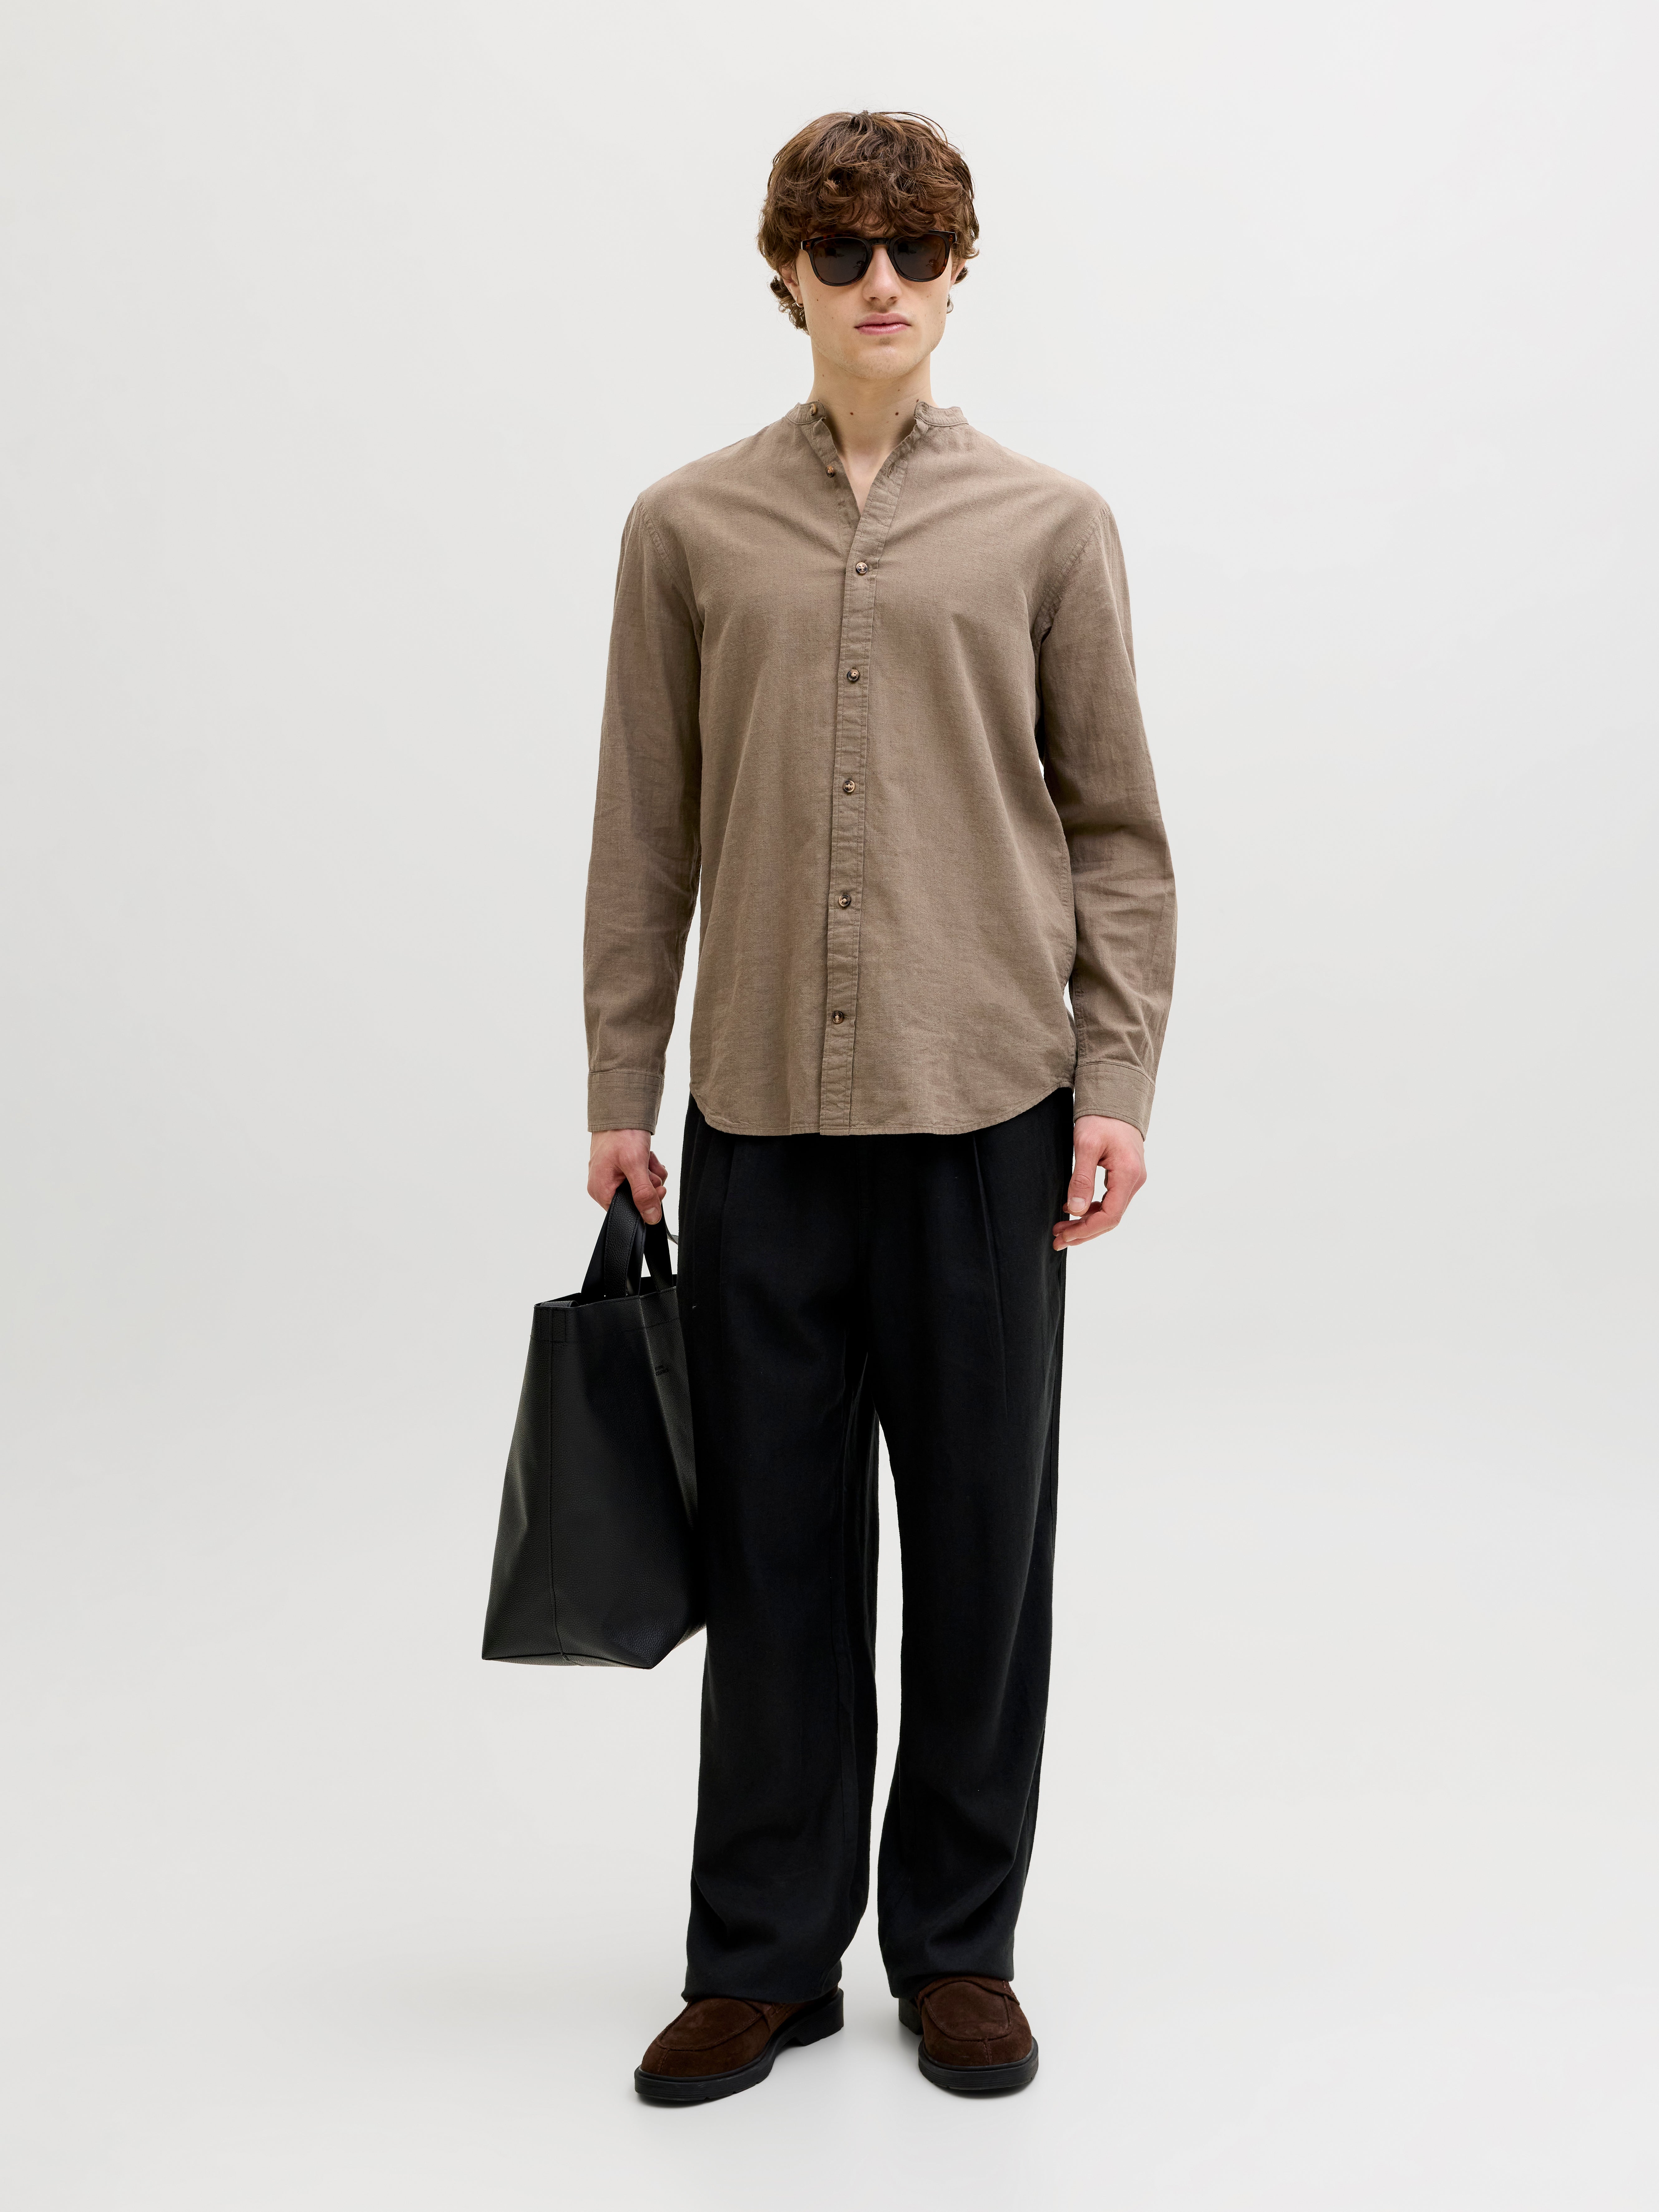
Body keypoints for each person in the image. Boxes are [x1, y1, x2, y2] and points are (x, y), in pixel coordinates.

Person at [581, 110, 1176, 2103]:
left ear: (958, 268)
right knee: (773, 1552)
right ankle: (761, 1957)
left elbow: (1115, 830)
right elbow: (641, 827)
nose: (881, 284)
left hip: (988, 1108)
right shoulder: (683, 527)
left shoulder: (1048, 526)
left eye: (915, 249)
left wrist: (1114, 1077)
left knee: (982, 1550)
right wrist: (618, 1081)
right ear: (786, 276)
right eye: (841, 254)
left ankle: (957, 1949)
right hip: (756, 1114)